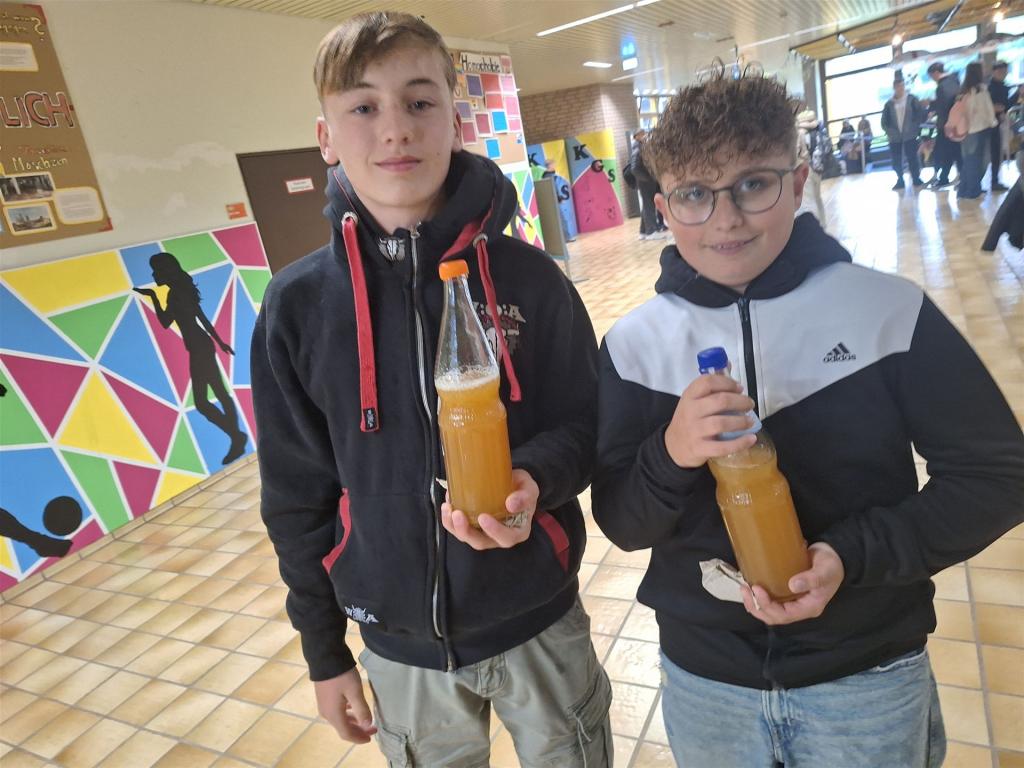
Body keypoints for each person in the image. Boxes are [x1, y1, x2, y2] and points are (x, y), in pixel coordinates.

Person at [593, 65, 1024, 768]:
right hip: (706, 683)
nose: (726, 219)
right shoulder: (634, 347)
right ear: (664, 208)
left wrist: (851, 556)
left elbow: (997, 478)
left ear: (797, 184)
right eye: (696, 194)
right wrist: (671, 453)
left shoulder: (886, 312)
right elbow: (621, 522)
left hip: (866, 675)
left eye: (753, 185)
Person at [251, 11, 611, 767]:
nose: (395, 129)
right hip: (397, 645)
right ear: (326, 137)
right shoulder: (297, 307)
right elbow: (295, 496)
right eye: (362, 107)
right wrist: (325, 653)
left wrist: (533, 480)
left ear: (455, 120)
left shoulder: (531, 280)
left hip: (539, 619)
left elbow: (589, 428)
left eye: (419, 101)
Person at [134, 252, 248, 464]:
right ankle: (237, 437)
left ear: (166, 271)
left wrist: (153, 297)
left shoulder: (177, 293)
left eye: (156, 270)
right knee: (218, 394)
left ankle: (236, 437)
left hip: (199, 347)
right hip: (200, 346)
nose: (153, 275)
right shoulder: (177, 291)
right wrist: (219, 342)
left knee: (204, 401)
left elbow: (179, 320)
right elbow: (180, 320)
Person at [956, 61, 997, 201]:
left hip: (964, 130)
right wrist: (993, 122)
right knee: (977, 161)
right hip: (980, 129)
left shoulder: (963, 91)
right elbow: (987, 110)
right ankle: (973, 190)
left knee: (968, 160)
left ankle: (963, 190)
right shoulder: (981, 90)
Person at [881, 77, 926, 189]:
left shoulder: (912, 99)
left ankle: (916, 178)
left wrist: (914, 128)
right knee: (896, 159)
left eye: (902, 85)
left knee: (912, 157)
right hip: (894, 137)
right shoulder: (889, 104)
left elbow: (919, 115)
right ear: (894, 87)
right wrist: (890, 132)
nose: (900, 88)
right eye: (898, 86)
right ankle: (900, 179)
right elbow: (884, 122)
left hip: (910, 134)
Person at [926, 61, 962, 188]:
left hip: (946, 126)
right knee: (954, 152)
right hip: (957, 123)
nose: (932, 79)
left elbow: (943, 106)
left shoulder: (941, 87)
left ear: (936, 73)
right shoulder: (955, 81)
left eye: (932, 76)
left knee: (946, 152)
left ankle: (945, 178)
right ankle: (947, 178)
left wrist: (932, 105)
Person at [631, 129, 666, 241]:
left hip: (646, 181)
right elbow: (635, 168)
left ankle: (643, 232)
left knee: (647, 206)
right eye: (643, 134)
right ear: (637, 136)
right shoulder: (637, 148)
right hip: (645, 182)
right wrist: (648, 178)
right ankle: (651, 231)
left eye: (645, 133)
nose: (645, 135)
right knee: (649, 205)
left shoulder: (641, 147)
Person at [795, 109, 827, 224]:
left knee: (808, 199)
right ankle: (823, 223)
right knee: (818, 197)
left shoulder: (800, 132)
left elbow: (796, 151)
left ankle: (815, 226)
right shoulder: (819, 131)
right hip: (818, 167)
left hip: (806, 168)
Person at [988, 61, 1011, 191]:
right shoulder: (989, 87)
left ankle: (994, 181)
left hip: (998, 123)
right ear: (994, 72)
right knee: (991, 154)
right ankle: (992, 182)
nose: (1004, 74)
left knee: (997, 153)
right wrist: (995, 108)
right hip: (989, 124)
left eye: (1005, 71)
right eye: (1001, 71)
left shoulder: (1003, 87)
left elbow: (1005, 105)